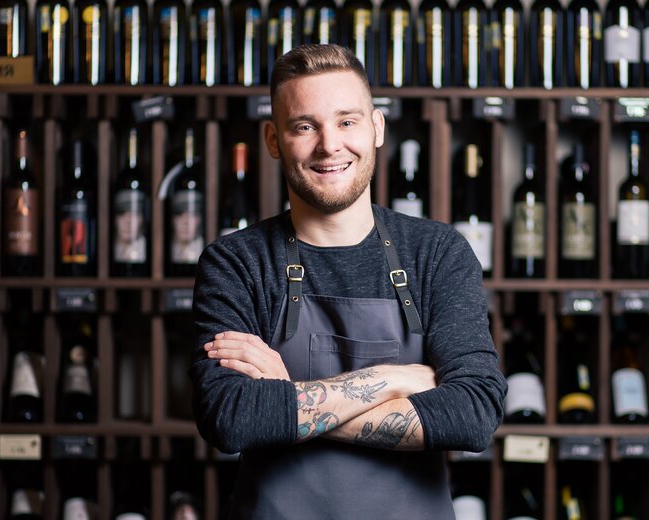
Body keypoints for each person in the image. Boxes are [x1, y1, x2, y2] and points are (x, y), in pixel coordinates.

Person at [190, 44, 506, 519]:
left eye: (346, 122)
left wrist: (286, 395)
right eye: (305, 126)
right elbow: (231, 417)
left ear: (376, 128)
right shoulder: (236, 262)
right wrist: (393, 379)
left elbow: (474, 413)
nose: (329, 145)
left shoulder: (437, 252)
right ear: (274, 140)